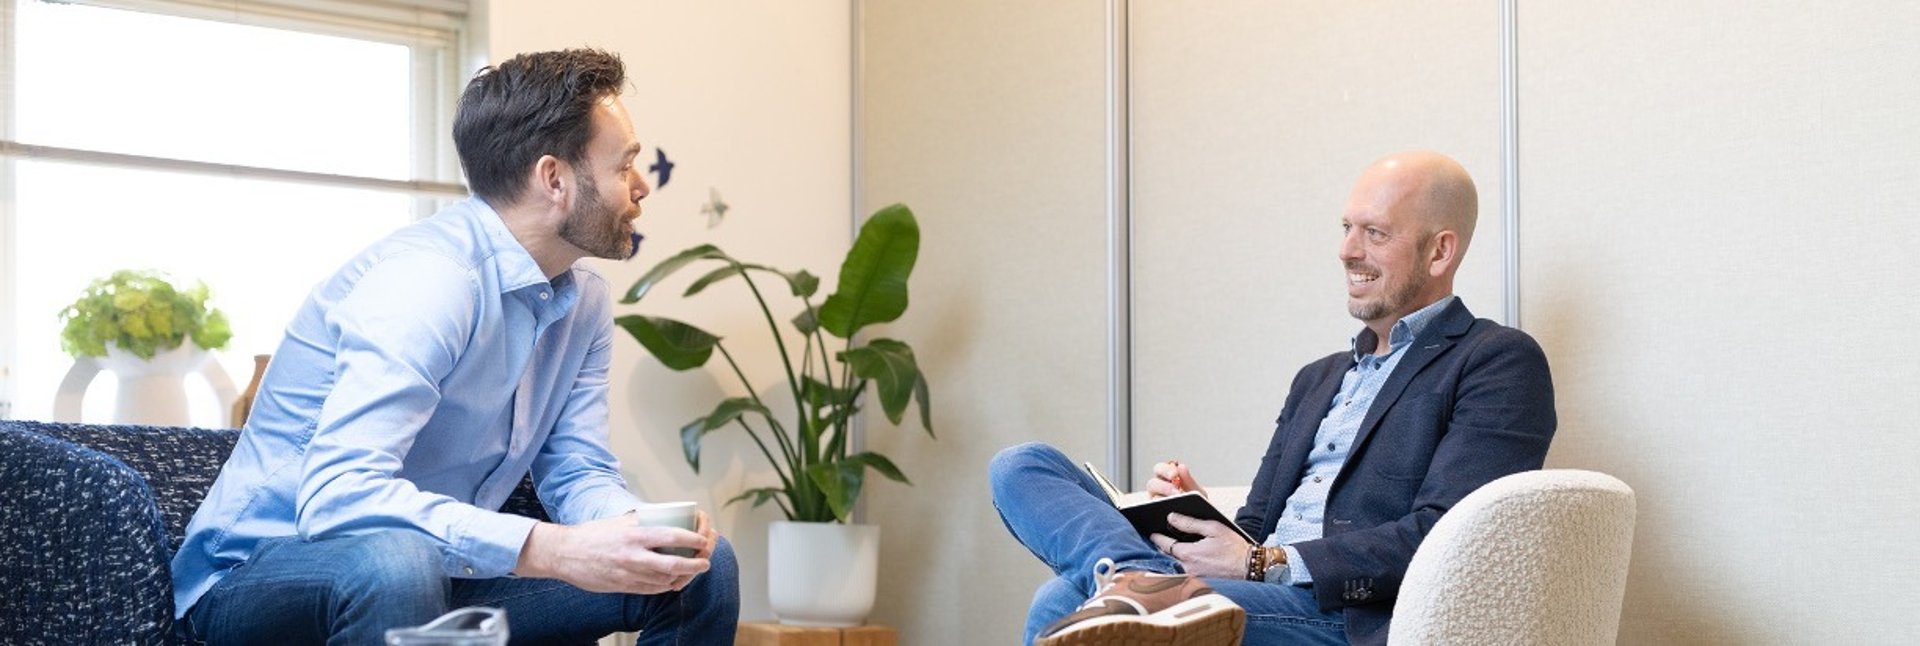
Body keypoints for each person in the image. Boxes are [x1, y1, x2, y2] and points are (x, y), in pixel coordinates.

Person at [170, 48, 739, 644]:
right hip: (259, 573)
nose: (641, 187)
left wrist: (634, 534)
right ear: (555, 179)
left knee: (696, 568)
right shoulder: (430, 281)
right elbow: (339, 498)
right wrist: (554, 549)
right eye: (624, 166)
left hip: (438, 571)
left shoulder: (584, 302)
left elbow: (577, 470)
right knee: (395, 560)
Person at [989, 150, 1556, 645]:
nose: (1347, 251)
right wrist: (1198, 517)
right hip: (1254, 587)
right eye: (1346, 228)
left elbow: (1448, 535)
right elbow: (1257, 524)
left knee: (1059, 600)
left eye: (1375, 233)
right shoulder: (1318, 378)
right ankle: (1143, 579)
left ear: (1439, 252)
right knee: (1022, 465)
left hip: (1340, 615)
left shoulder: (1496, 361)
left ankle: (1150, 590)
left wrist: (1262, 562)